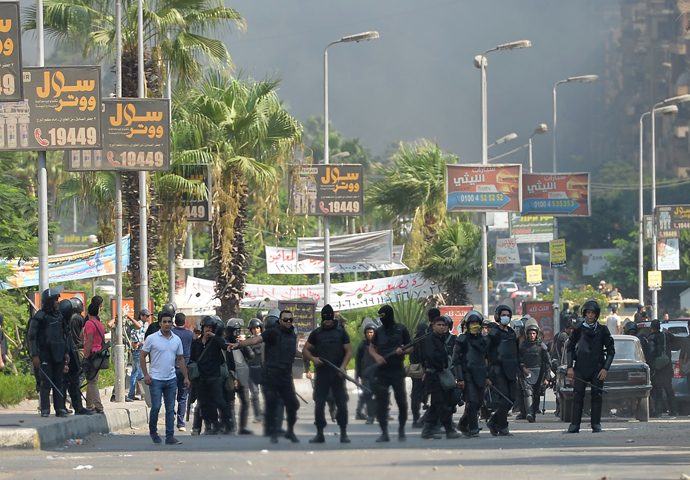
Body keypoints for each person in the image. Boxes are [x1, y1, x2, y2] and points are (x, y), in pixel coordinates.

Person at [233, 310, 300, 444]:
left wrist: (309, 355)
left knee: (293, 404)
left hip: (286, 375)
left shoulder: (292, 335)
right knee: (272, 405)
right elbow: (254, 340)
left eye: (290, 320)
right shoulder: (272, 333)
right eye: (285, 319)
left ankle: (290, 431)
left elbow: (294, 352)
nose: (287, 322)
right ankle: (273, 432)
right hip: (272, 374)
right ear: (280, 321)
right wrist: (239, 344)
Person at [302, 304, 352, 443]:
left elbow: (348, 351)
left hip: (338, 373)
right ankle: (319, 433)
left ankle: (343, 432)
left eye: (329, 318)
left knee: (341, 403)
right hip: (322, 373)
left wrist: (342, 367)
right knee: (319, 403)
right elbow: (306, 350)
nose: (328, 321)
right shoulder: (317, 333)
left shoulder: (341, 332)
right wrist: (313, 359)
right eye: (325, 318)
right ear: (322, 318)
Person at [564, 298, 615, 434]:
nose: (590, 315)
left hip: (597, 368)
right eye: (588, 312)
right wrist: (570, 367)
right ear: (584, 314)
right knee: (577, 395)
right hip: (580, 367)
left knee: (597, 395)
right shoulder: (578, 329)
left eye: (593, 313)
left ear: (597, 314)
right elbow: (569, 348)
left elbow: (611, 351)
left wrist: (605, 368)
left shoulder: (603, 330)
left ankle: (596, 424)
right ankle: (574, 425)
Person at [140, 310, 190, 445]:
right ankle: (153, 431)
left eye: (169, 322)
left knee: (170, 408)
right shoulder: (152, 338)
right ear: (160, 323)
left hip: (171, 378)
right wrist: (146, 374)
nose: (167, 324)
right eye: (165, 322)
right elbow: (142, 356)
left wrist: (186, 377)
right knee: (156, 406)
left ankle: (170, 436)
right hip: (155, 379)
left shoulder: (176, 340)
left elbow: (180, 359)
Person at [369, 305, 412, 442]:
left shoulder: (401, 329)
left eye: (383, 315)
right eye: (380, 316)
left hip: (397, 370)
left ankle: (401, 430)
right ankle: (384, 432)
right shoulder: (379, 331)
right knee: (381, 402)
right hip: (382, 371)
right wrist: (376, 356)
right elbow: (372, 347)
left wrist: (403, 351)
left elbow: (410, 346)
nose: (382, 318)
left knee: (401, 402)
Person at [486, 304, 529, 436]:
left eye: (508, 315)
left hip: (511, 369)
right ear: (498, 316)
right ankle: (503, 426)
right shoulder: (493, 334)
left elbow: (516, 352)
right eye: (503, 315)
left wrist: (522, 367)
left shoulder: (511, 333)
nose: (506, 317)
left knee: (511, 399)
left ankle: (493, 421)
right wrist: (487, 373)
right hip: (498, 370)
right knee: (503, 399)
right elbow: (486, 354)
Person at [28, 288, 71, 418]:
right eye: (56, 300)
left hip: (58, 354)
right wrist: (34, 355)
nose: (58, 303)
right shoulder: (39, 317)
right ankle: (45, 408)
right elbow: (31, 337)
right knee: (45, 382)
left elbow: (65, 336)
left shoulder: (59, 316)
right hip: (44, 354)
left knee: (58, 381)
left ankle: (59, 408)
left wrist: (66, 352)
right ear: (49, 301)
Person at [188, 315, 234, 435]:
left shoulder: (216, 342)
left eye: (210, 327)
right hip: (201, 379)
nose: (208, 330)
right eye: (206, 327)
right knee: (204, 403)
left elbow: (225, 345)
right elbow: (192, 359)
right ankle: (212, 425)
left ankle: (229, 425)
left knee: (220, 402)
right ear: (202, 328)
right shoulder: (196, 343)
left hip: (215, 377)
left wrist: (215, 337)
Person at [420, 316, 461, 440]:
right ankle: (449, 429)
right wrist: (441, 367)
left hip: (441, 374)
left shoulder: (441, 338)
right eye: (439, 325)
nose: (441, 327)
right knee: (441, 404)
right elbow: (431, 356)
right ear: (433, 326)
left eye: (443, 325)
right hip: (434, 375)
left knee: (436, 404)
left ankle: (427, 430)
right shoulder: (430, 339)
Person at [453, 310, 489, 437]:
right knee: (472, 401)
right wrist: (460, 378)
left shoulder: (483, 340)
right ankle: (473, 428)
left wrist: (488, 376)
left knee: (479, 402)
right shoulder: (461, 340)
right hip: (467, 374)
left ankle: (463, 423)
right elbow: (456, 361)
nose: (474, 325)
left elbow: (486, 358)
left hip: (480, 374)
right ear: (467, 325)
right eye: (472, 322)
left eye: (477, 322)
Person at [57, 299, 92, 416]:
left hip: (70, 351)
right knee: (63, 382)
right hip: (62, 354)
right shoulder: (57, 323)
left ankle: (78, 406)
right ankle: (61, 407)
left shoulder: (66, 322)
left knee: (74, 380)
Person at [517, 318, 551, 423]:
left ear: (537, 334)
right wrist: (523, 368)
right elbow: (518, 359)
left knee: (536, 393)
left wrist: (547, 378)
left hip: (539, 372)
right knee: (527, 392)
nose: (532, 335)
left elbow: (547, 363)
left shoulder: (542, 346)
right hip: (526, 372)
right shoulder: (522, 346)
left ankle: (534, 411)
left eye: (534, 333)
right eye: (530, 333)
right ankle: (529, 414)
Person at [225, 318, 255, 435]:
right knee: (230, 403)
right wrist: (233, 377)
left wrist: (244, 343)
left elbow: (251, 356)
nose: (237, 333)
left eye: (238, 331)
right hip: (231, 377)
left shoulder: (241, 344)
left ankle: (242, 427)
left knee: (246, 402)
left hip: (243, 376)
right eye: (234, 331)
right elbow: (228, 363)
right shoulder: (226, 344)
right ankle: (233, 427)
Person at [648, 320, 678, 417]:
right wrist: (667, 332)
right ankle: (674, 410)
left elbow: (651, 352)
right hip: (667, 366)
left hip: (658, 368)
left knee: (658, 390)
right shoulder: (666, 336)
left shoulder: (652, 337)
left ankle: (658, 411)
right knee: (669, 389)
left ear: (652, 327)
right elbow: (675, 340)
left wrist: (652, 365)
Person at [83, 296, 105, 414]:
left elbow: (89, 340)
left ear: (88, 311)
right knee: (93, 380)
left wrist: (86, 356)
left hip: (91, 354)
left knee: (91, 382)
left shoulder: (89, 323)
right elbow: (101, 341)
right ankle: (90, 405)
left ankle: (98, 406)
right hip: (99, 355)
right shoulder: (99, 324)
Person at [172, 312, 194, 431]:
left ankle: (171, 416)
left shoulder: (171, 333)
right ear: (184, 322)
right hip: (184, 369)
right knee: (183, 397)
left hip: (171, 368)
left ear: (175, 321)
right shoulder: (189, 334)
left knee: (170, 395)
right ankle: (181, 423)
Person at [355, 319, 378, 425]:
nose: (369, 334)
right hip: (366, 373)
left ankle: (379, 413)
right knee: (368, 393)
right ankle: (370, 416)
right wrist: (357, 375)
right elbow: (358, 361)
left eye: (371, 332)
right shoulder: (362, 345)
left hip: (377, 373)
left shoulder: (379, 344)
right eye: (368, 332)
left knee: (378, 394)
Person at [409, 320, 430, 428]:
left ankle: (415, 419)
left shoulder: (414, 340)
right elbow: (424, 356)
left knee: (416, 394)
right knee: (421, 393)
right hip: (422, 369)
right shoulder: (423, 341)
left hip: (415, 369)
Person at [127, 309, 150, 401]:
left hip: (138, 351)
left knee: (134, 373)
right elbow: (134, 334)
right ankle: (144, 394)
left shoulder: (142, 325)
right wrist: (141, 342)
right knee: (141, 373)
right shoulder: (139, 324)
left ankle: (131, 394)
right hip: (139, 351)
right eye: (147, 316)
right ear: (141, 316)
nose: (148, 318)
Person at [247, 317, 264, 424]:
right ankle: (258, 415)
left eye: (257, 328)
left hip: (263, 371)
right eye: (253, 328)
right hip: (251, 372)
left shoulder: (265, 340)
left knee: (268, 394)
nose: (256, 330)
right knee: (254, 394)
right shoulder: (248, 341)